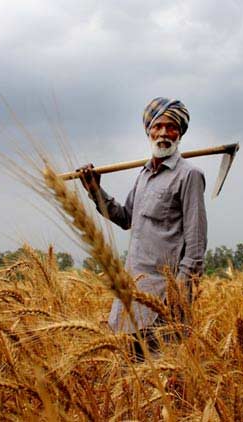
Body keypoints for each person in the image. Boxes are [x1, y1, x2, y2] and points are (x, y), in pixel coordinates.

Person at [77, 97, 208, 360]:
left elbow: (195, 249)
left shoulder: (189, 175)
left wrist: (177, 297)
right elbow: (125, 218)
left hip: (164, 300)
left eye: (171, 127)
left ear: (180, 133)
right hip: (133, 295)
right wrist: (94, 190)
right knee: (129, 374)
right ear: (148, 131)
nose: (163, 133)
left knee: (162, 379)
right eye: (157, 126)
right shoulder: (144, 175)